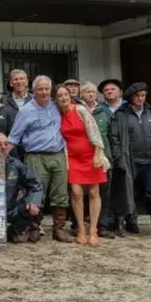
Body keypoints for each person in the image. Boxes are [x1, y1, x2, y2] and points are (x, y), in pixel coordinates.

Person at [6, 75, 73, 243]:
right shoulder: (26, 111)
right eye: (40, 89)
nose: (44, 92)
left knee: (60, 193)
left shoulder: (57, 106)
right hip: (35, 156)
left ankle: (59, 229)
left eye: (47, 89)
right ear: (33, 90)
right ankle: (34, 227)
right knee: (36, 194)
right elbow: (14, 137)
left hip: (57, 155)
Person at [109, 82, 151, 237]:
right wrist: (118, 157)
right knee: (126, 192)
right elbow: (114, 138)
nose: (140, 98)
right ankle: (123, 224)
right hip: (130, 161)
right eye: (137, 95)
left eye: (143, 95)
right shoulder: (121, 115)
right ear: (131, 97)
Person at [54, 85, 108, 245]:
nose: (63, 98)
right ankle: (81, 230)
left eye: (65, 94)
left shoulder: (80, 110)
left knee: (93, 192)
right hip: (72, 158)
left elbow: (94, 131)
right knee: (76, 192)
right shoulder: (58, 115)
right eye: (59, 96)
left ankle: (93, 230)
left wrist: (97, 153)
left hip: (90, 155)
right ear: (55, 100)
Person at [0, 133, 43, 244]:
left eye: (6, 144)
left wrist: (33, 202)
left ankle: (16, 230)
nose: (3, 147)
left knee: (32, 208)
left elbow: (35, 184)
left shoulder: (16, 164)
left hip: (10, 210)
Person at [81, 81, 115, 238]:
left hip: (101, 156)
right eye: (87, 92)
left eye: (93, 92)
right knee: (80, 192)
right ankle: (79, 225)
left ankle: (102, 225)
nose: (90, 94)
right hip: (81, 156)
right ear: (81, 94)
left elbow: (112, 134)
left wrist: (111, 154)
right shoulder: (77, 110)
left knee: (102, 192)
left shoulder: (104, 111)